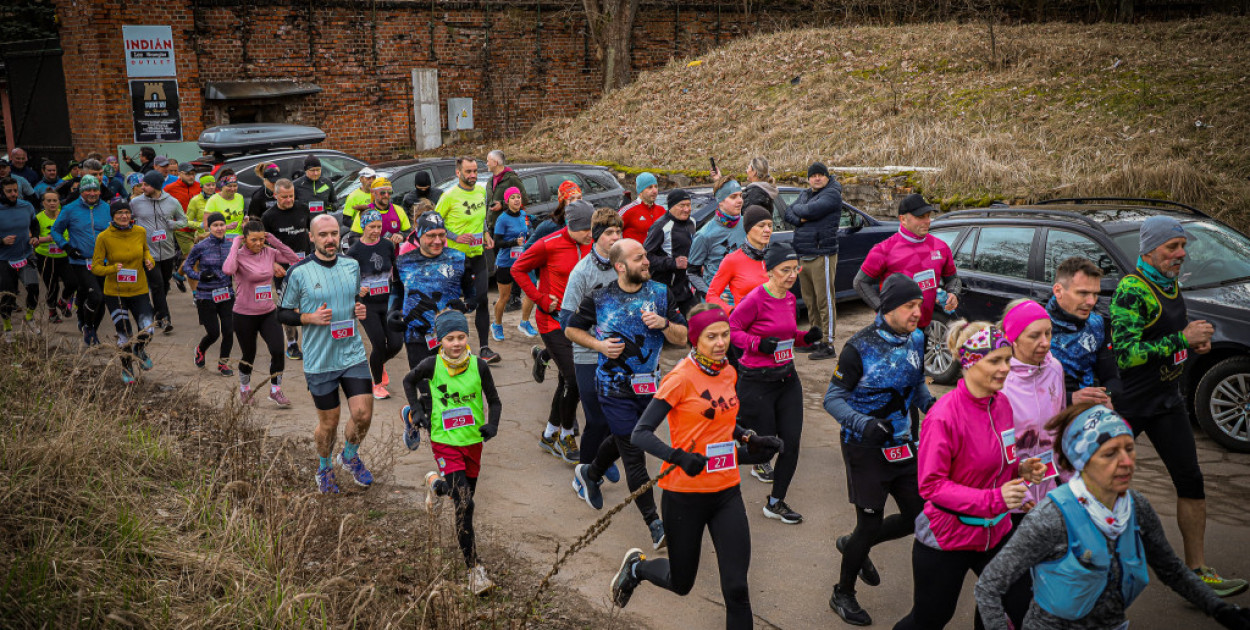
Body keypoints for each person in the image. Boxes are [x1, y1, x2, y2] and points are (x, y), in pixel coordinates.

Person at [975, 404, 1250, 630]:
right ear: (1081, 461)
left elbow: (1173, 571)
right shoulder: (1051, 518)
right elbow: (989, 587)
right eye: (1109, 454)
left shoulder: (1136, 507)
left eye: (1129, 449)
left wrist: (1220, 610)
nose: (1126, 462)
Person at [609, 303, 783, 630]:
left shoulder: (728, 370)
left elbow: (721, 418)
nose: (721, 343)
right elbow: (641, 433)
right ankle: (638, 568)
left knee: (737, 588)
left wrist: (748, 438)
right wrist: (678, 457)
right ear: (694, 340)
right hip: (684, 495)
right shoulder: (680, 378)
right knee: (681, 582)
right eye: (711, 336)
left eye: (725, 334)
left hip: (726, 492)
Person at [1110, 215, 1246, 596]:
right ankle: (1089, 570)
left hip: (1166, 401)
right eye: (1173, 247)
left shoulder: (1168, 284)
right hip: (1130, 404)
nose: (1181, 253)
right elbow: (1126, 354)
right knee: (1101, 486)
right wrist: (1180, 339)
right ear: (1150, 249)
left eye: (1182, 246)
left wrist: (1190, 345)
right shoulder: (1132, 290)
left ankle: (1197, 573)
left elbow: (1168, 339)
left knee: (1191, 481)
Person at [892, 320, 1046, 630]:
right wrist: (995, 498)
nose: (1006, 368)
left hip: (996, 532)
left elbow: (993, 457)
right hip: (948, 537)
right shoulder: (943, 416)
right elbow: (932, 486)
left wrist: (1019, 468)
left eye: (1007, 359)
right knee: (930, 619)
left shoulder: (1001, 404)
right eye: (995, 360)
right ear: (969, 362)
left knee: (1017, 605)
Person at [823, 274, 934, 625]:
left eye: (919, 304)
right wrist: (864, 424)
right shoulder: (859, 347)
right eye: (909, 306)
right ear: (887, 308)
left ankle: (855, 544)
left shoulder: (917, 338)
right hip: (864, 447)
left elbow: (917, 385)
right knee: (868, 525)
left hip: (903, 445)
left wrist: (936, 410)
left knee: (918, 516)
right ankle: (843, 593)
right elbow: (832, 399)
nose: (918, 312)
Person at [566, 238, 688, 550]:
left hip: (651, 387)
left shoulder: (661, 294)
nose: (647, 262)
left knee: (626, 439)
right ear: (620, 266)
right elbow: (571, 329)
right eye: (639, 258)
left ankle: (589, 473)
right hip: (612, 387)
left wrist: (663, 324)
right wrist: (599, 345)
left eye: (646, 256)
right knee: (634, 451)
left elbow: (684, 336)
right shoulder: (601, 297)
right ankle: (655, 524)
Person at [401, 309, 503, 596]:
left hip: (472, 442)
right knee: (465, 505)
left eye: (461, 337)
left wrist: (492, 425)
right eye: (450, 338)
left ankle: (436, 484)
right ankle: (474, 571)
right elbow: (408, 381)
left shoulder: (479, 366)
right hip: (444, 440)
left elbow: (494, 401)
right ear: (439, 340)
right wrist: (418, 409)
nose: (456, 343)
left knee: (462, 496)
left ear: (467, 337)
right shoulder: (431, 365)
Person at [277, 214, 374, 494]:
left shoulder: (351, 265)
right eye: (323, 235)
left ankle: (350, 455)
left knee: (363, 414)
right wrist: (309, 318)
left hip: (352, 353)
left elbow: (354, 297)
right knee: (329, 423)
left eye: (334, 234)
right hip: (320, 360)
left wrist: (359, 309)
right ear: (312, 237)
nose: (330, 239)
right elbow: (281, 313)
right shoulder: (300, 271)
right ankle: (323, 467)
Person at [728, 242, 821, 522]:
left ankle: (776, 502)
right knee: (764, 451)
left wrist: (807, 338)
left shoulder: (790, 299)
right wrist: (758, 344)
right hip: (757, 383)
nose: (792, 275)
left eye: (795, 269)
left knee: (790, 446)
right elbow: (732, 330)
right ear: (769, 271)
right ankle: (713, 461)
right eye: (785, 270)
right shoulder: (755, 298)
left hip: (787, 380)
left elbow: (787, 335)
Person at [511, 200, 595, 463]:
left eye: (591, 229)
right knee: (574, 377)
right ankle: (566, 435)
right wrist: (540, 298)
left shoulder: (594, 243)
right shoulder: (548, 243)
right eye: (584, 230)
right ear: (570, 225)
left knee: (566, 380)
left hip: (583, 322)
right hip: (553, 321)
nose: (589, 235)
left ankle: (549, 434)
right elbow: (518, 269)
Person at [561, 208, 624, 472]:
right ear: (596, 235)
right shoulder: (582, 272)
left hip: (620, 353)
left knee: (616, 420)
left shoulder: (625, 266)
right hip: (587, 353)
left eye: (619, 232)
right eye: (609, 232)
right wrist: (597, 336)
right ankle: (585, 471)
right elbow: (565, 321)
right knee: (597, 419)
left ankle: (602, 458)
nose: (615, 237)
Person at [856, 193, 961, 335]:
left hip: (923, 328)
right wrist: (883, 310)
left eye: (928, 216)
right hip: (893, 329)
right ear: (903, 219)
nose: (927, 221)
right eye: (920, 217)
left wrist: (953, 293)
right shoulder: (883, 249)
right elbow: (860, 282)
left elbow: (953, 278)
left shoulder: (941, 247)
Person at [1000, 299, 1067, 517]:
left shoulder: (1055, 369)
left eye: (1048, 333)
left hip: (1048, 495)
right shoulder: (1000, 380)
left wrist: (1071, 484)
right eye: (1034, 335)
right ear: (1013, 339)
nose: (1045, 342)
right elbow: (995, 449)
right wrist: (1020, 491)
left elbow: (1059, 431)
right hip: (1010, 499)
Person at [223, 219, 300, 405]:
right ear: (245, 239)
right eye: (253, 240)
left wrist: (274, 240)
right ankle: (244, 389)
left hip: (268, 312)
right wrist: (235, 244)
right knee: (249, 354)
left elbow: (294, 259)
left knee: (278, 351)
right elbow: (228, 270)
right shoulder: (239, 256)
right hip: (244, 314)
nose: (258, 244)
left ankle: (276, 390)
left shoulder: (269, 252)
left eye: (261, 239)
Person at [389, 211, 476, 370]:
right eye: (431, 235)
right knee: (425, 389)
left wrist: (466, 306)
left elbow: (473, 297)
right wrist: (392, 312)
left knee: (452, 391)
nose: (437, 241)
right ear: (419, 234)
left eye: (441, 235)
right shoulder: (403, 262)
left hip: (452, 337)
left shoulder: (459, 259)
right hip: (416, 336)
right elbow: (396, 293)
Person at [435, 157, 499, 363]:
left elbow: (480, 219)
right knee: (451, 301)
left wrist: (486, 232)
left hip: (478, 254)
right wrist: (454, 237)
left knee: (482, 298)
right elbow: (433, 223)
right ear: (458, 173)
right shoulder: (449, 196)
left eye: (475, 171)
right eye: (468, 172)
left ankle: (485, 349)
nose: (472, 175)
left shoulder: (481, 191)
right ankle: (451, 348)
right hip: (455, 258)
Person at [91, 200, 156, 384]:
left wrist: (149, 260)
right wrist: (112, 269)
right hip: (115, 293)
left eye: (126, 212)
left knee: (148, 328)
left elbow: (145, 251)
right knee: (124, 333)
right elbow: (95, 267)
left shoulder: (140, 232)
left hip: (139, 289)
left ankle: (139, 350)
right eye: (119, 213)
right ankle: (126, 368)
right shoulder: (104, 237)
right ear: (112, 216)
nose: (124, 216)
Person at [784, 161, 843, 360]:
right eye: (813, 175)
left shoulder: (832, 193)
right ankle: (815, 339)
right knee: (810, 301)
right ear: (808, 179)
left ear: (827, 176)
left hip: (822, 253)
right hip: (803, 254)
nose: (817, 178)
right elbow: (787, 213)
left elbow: (810, 211)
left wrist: (801, 211)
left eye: (820, 174)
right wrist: (801, 216)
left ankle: (828, 343)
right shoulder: (806, 194)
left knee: (824, 300)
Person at [1047, 257, 1120, 405]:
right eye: (1083, 293)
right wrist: (1069, 399)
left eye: (1095, 294)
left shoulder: (1097, 325)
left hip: (1088, 414)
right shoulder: (1037, 326)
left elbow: (1112, 379)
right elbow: (1019, 391)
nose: (1091, 302)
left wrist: (1106, 396)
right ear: (1058, 290)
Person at [347, 209, 402, 399]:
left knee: (396, 344)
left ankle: (378, 364)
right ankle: (377, 384)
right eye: (372, 227)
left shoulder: (387, 245)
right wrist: (357, 289)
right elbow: (346, 279)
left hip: (388, 302)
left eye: (379, 226)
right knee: (378, 344)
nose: (376, 230)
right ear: (363, 227)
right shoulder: (354, 251)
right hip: (367, 305)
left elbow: (395, 269)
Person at [51, 173, 110, 345]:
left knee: (102, 300)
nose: (92, 193)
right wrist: (67, 247)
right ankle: (87, 326)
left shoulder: (107, 208)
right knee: (96, 296)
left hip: (103, 262)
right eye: (88, 190)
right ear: (80, 192)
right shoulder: (69, 209)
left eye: (95, 190)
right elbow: (55, 231)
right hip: (80, 261)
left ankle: (91, 329)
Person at [261, 178, 313, 361]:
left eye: (291, 196)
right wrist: (272, 264)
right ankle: (291, 344)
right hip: (282, 268)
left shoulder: (302, 209)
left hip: (305, 263)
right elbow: (263, 245)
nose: (289, 200)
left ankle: (312, 340)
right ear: (276, 195)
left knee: (310, 301)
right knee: (288, 305)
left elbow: (311, 231)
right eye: (284, 197)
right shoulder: (268, 216)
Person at [134, 170, 188, 334]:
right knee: (157, 285)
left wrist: (174, 225)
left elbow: (183, 220)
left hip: (167, 251)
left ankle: (156, 313)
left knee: (164, 285)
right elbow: (126, 219)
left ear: (156, 186)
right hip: (147, 252)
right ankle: (165, 320)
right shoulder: (136, 203)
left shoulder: (172, 202)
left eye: (146, 185)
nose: (142, 187)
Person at [182, 212, 235, 376]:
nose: (219, 228)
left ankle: (223, 363)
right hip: (206, 296)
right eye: (215, 225)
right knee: (213, 333)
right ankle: (200, 349)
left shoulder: (231, 245)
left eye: (222, 225)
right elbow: (186, 267)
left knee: (228, 330)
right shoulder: (201, 246)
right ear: (209, 227)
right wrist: (200, 276)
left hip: (227, 294)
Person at [643, 189, 698, 318]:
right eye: (682, 205)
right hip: (665, 289)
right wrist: (673, 263)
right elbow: (646, 257)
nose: (686, 209)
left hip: (686, 287)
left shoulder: (692, 222)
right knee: (671, 329)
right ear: (671, 207)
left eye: (688, 205)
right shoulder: (661, 226)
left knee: (697, 321)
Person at [706, 205, 772, 312]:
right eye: (761, 226)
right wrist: (732, 312)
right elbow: (712, 296)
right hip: (747, 325)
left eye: (770, 225)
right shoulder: (732, 260)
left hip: (775, 322)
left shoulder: (776, 255)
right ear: (748, 229)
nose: (767, 230)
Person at [489, 187, 534, 342]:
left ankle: (525, 322)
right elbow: (497, 243)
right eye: (513, 197)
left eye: (518, 197)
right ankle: (497, 324)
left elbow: (528, 232)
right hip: (505, 263)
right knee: (505, 297)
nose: (516, 200)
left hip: (522, 261)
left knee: (531, 292)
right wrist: (514, 242)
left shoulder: (523, 215)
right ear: (507, 201)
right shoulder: (502, 219)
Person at [688, 178, 745, 299]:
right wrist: (711, 294)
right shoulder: (704, 234)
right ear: (720, 201)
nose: (740, 200)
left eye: (740, 196)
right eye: (733, 197)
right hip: (719, 303)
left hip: (745, 299)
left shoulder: (748, 225)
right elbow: (692, 272)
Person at [0, 177, 41, 340]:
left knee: (34, 289)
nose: (13, 194)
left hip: (25, 255)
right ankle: (8, 327)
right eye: (9, 191)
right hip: (4, 259)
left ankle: (30, 317)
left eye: (15, 190)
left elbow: (34, 224)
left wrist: (36, 237)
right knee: (7, 296)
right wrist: (1, 241)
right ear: (2, 192)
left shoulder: (26, 206)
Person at [33, 189, 76, 324]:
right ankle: (52, 312)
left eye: (55, 200)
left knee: (73, 282)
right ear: (43, 203)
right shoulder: (38, 218)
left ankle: (62, 302)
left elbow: (74, 232)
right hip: (45, 257)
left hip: (64, 256)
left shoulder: (65, 215)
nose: (52, 203)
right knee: (52, 287)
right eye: (49, 201)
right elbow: (31, 238)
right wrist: (46, 239)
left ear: (59, 202)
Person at [348, 177, 409, 243]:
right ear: (373, 193)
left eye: (389, 192)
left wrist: (401, 235)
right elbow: (353, 239)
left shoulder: (398, 210)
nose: (386, 195)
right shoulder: (365, 211)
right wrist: (372, 242)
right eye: (382, 193)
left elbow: (409, 234)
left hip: (394, 253)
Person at [618, 172, 666, 243]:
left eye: (656, 187)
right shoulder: (628, 210)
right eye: (650, 187)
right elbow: (605, 230)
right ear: (640, 191)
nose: (655, 191)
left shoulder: (661, 210)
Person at [485, 150, 526, 231]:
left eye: (488, 161)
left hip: (508, 229)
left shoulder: (512, 179)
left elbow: (524, 199)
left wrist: (502, 205)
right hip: (491, 229)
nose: (487, 164)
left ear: (495, 163)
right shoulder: (490, 181)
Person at [205, 172, 246, 239]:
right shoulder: (213, 200)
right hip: (221, 239)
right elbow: (206, 226)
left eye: (235, 186)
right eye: (229, 186)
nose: (232, 189)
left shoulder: (240, 197)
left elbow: (240, 218)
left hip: (238, 239)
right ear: (222, 186)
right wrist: (226, 227)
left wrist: (245, 223)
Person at [185, 174, 216, 240]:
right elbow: (186, 221)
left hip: (219, 236)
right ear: (202, 186)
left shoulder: (220, 199)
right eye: (208, 185)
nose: (211, 187)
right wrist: (200, 225)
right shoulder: (195, 200)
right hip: (203, 238)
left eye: (213, 185)